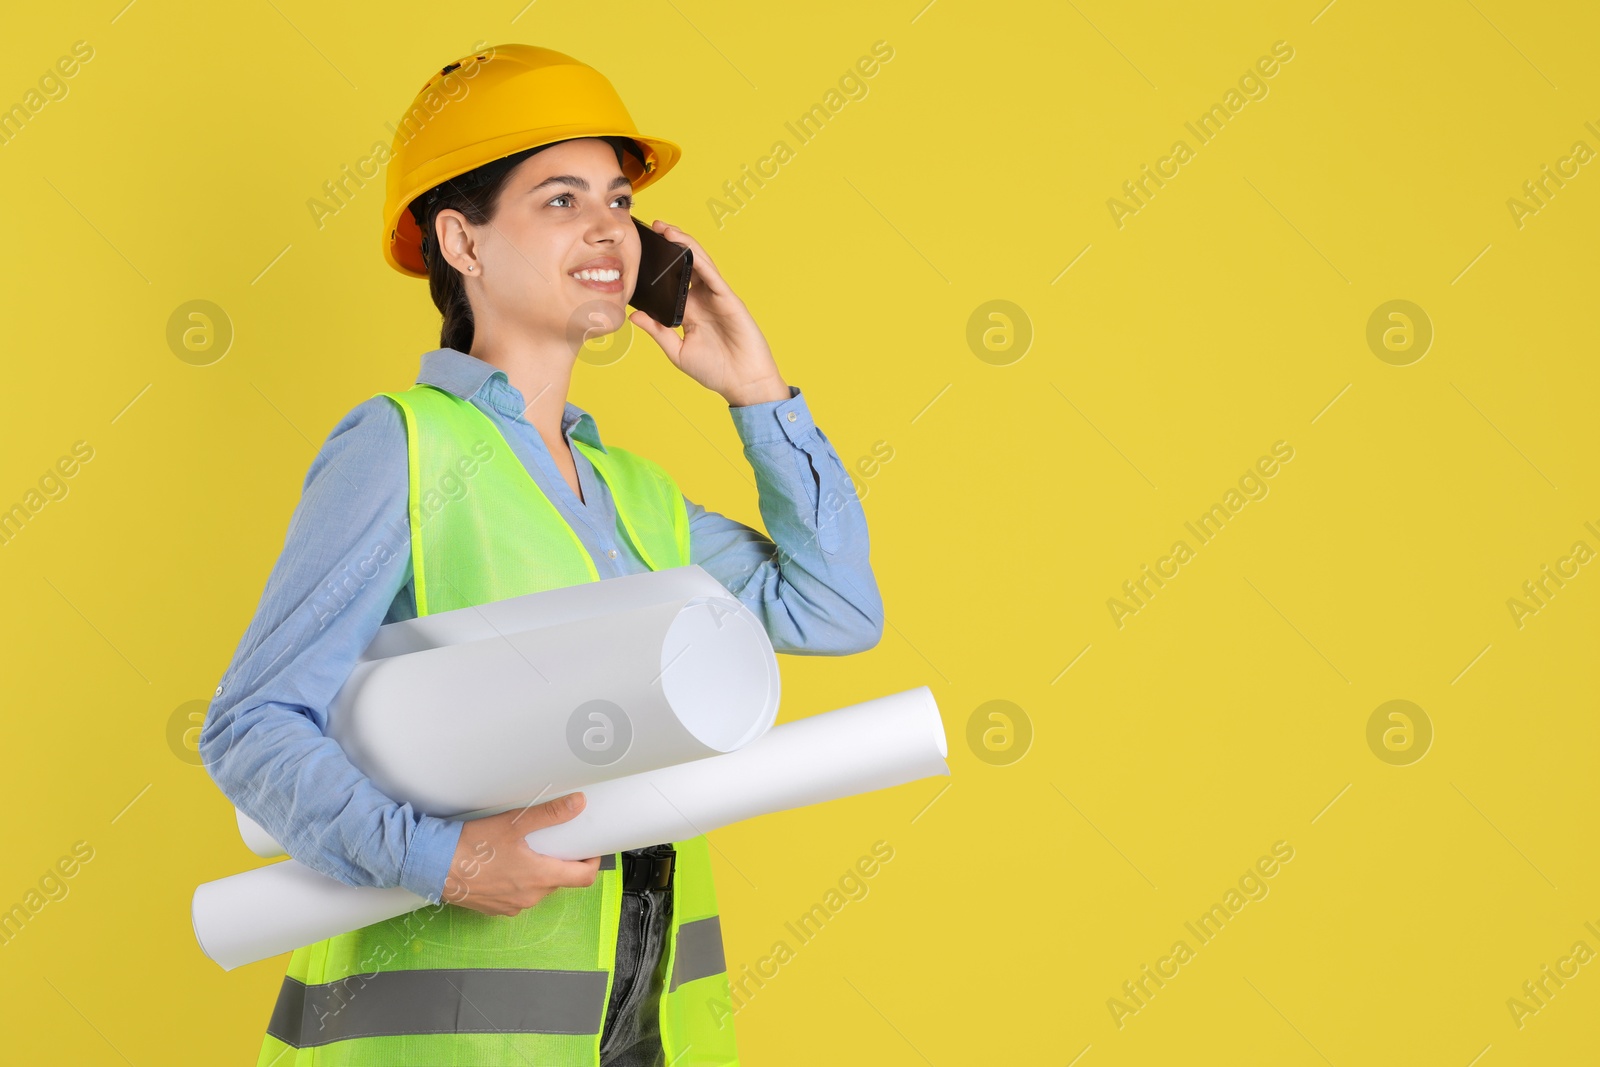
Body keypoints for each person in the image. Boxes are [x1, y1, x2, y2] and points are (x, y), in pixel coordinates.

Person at [199, 44, 883, 1066]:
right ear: (461, 241)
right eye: (560, 200)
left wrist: (758, 396)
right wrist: (444, 859)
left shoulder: (636, 499)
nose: (608, 228)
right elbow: (251, 725)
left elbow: (835, 610)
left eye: (617, 199)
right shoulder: (402, 446)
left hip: (644, 1035)